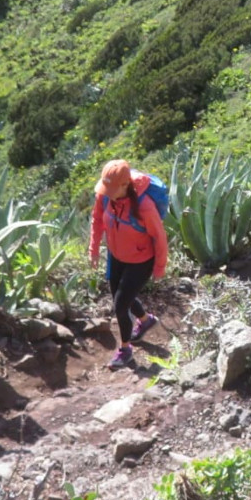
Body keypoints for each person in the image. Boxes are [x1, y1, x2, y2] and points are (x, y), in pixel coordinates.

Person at [89, 159, 168, 371]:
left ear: (125, 185)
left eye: (111, 189)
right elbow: (97, 220)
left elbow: (159, 237)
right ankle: (145, 319)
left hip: (141, 261)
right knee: (121, 297)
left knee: (120, 306)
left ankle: (125, 350)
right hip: (116, 255)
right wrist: (94, 249)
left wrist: (159, 267)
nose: (106, 193)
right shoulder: (105, 197)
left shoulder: (144, 206)